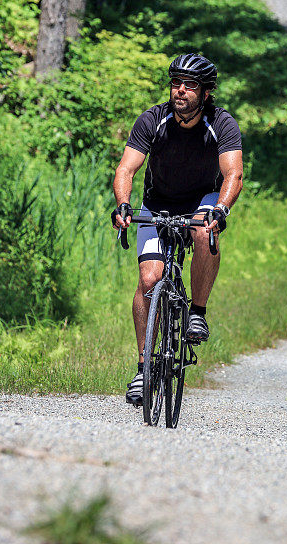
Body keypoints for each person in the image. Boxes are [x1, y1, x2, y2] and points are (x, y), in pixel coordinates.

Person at [111, 53, 243, 406]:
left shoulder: (222, 123)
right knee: (150, 280)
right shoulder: (153, 120)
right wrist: (123, 204)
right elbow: (127, 169)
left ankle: (197, 313)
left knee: (204, 231)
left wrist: (221, 209)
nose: (180, 91)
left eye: (190, 85)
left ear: (206, 92)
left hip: (203, 199)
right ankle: (143, 368)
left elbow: (233, 173)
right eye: (175, 83)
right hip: (158, 202)